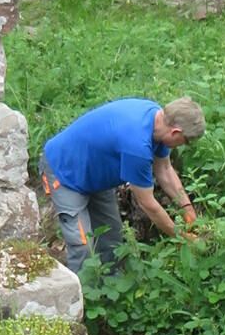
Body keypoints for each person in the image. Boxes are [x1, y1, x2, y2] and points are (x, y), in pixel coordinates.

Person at [38, 95, 205, 277]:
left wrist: (187, 208)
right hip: (64, 172)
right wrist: (180, 236)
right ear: (175, 132)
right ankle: (79, 293)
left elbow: (164, 169)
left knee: (112, 238)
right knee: (82, 246)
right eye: (185, 141)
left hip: (94, 175)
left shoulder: (158, 120)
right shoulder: (137, 145)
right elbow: (147, 203)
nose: (182, 145)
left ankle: (111, 286)